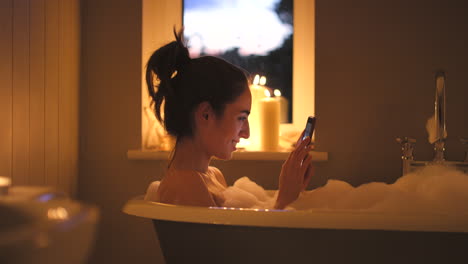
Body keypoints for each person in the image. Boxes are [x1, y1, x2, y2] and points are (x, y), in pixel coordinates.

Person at [145, 30, 314, 209]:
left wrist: (289, 195)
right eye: (241, 118)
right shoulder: (184, 185)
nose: (246, 133)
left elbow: (234, 235)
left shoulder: (213, 176)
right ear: (206, 114)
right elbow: (233, 239)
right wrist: (284, 200)